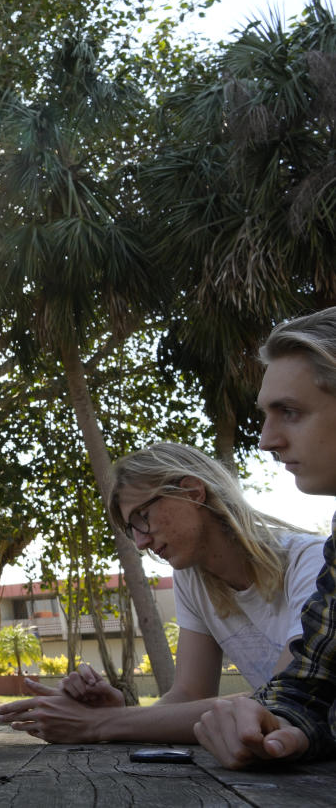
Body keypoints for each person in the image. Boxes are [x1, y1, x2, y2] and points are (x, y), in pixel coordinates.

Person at [0, 442, 324, 744]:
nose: (141, 543)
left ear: (193, 492)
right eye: (131, 529)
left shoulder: (313, 564)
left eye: (143, 517)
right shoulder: (192, 579)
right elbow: (188, 694)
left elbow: (284, 700)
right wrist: (119, 714)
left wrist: (99, 724)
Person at [195, 307, 336, 768]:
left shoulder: (307, 557)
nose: (266, 440)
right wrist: (275, 724)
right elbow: (310, 687)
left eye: (289, 412)